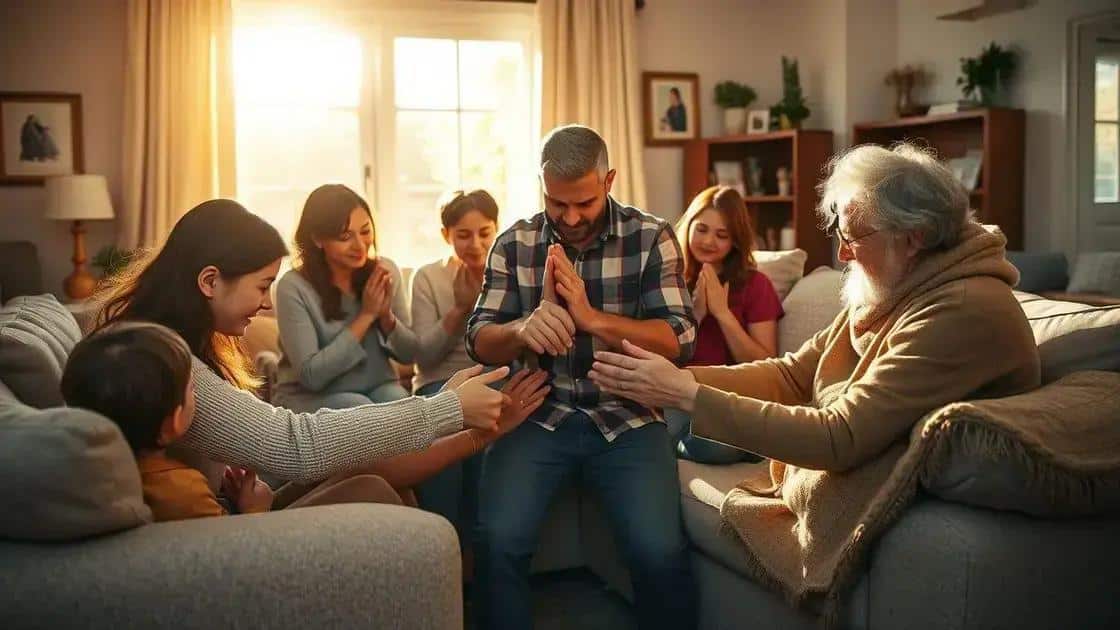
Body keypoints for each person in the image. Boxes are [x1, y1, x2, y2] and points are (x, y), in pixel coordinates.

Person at [588, 143, 1040, 476]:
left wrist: (684, 394)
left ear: (914, 236)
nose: (842, 256)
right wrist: (678, 379)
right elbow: (792, 375)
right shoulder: (903, 286)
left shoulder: (958, 312)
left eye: (852, 238)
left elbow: (837, 437)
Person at [91, 198, 533, 505]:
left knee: (371, 472)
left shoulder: (168, 341)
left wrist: (463, 419)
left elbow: (410, 352)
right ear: (209, 281)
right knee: (371, 484)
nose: (266, 303)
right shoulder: (161, 361)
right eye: (262, 286)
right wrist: (448, 409)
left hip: (246, 500)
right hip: (229, 524)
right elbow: (296, 446)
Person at [466, 124, 698, 629]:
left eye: (584, 203)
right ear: (542, 186)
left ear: (609, 180)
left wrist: (593, 320)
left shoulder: (651, 237)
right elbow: (478, 337)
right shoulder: (514, 243)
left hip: (629, 415)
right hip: (537, 412)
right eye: (557, 203)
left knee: (658, 551)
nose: (570, 218)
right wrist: (524, 330)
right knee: (498, 541)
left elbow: (680, 339)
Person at [61, 321, 273, 521]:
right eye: (192, 389)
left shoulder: (77, 481)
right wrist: (255, 511)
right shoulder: (184, 491)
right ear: (173, 422)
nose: (196, 396)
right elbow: (232, 552)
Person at [409, 189, 500, 560]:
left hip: (494, 379)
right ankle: (443, 555)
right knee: (446, 442)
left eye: (485, 232)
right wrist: (461, 309)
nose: (475, 244)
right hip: (439, 383)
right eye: (463, 235)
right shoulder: (428, 277)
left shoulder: (507, 272)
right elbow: (423, 354)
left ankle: (477, 559)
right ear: (446, 235)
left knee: (488, 439)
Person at [666, 185, 783, 464]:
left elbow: (765, 366)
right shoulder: (669, 278)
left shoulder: (756, 285)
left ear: (736, 241)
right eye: (702, 229)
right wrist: (696, 315)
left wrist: (722, 313)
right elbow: (658, 354)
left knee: (711, 447)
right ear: (689, 226)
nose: (708, 241)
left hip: (727, 401)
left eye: (722, 235)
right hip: (676, 395)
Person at [273, 184, 415, 412]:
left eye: (366, 231)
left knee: (400, 402)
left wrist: (386, 317)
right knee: (357, 408)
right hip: (308, 396)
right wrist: (367, 315)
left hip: (377, 386)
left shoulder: (385, 272)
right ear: (318, 239)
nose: (359, 246)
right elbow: (312, 376)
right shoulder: (292, 286)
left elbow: (409, 355)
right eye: (345, 236)